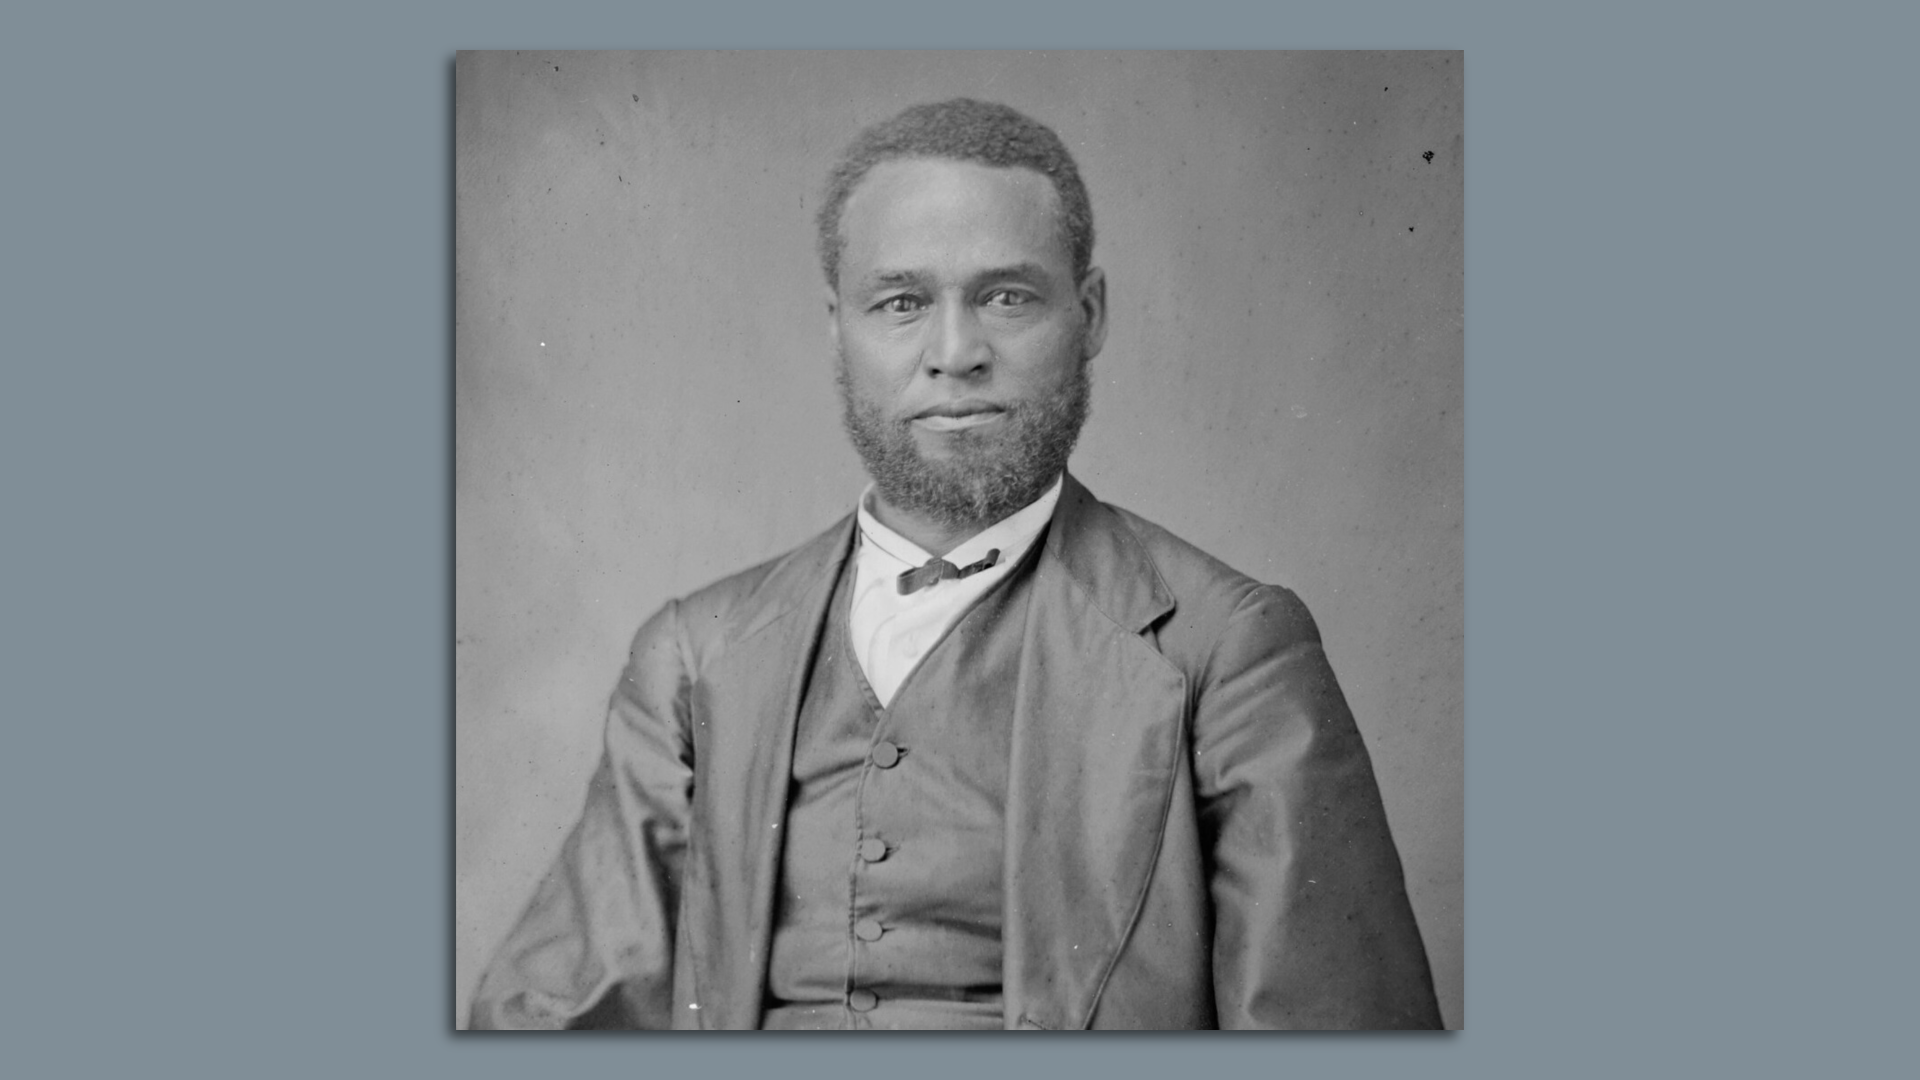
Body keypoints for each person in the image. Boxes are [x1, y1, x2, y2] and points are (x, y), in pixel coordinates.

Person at [469, 98, 1442, 1031]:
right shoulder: (694, 654)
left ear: (1090, 314)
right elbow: (552, 1016)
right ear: (837, 333)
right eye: (899, 302)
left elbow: (1334, 1030)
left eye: (1007, 297)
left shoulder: (1226, 646)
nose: (954, 352)